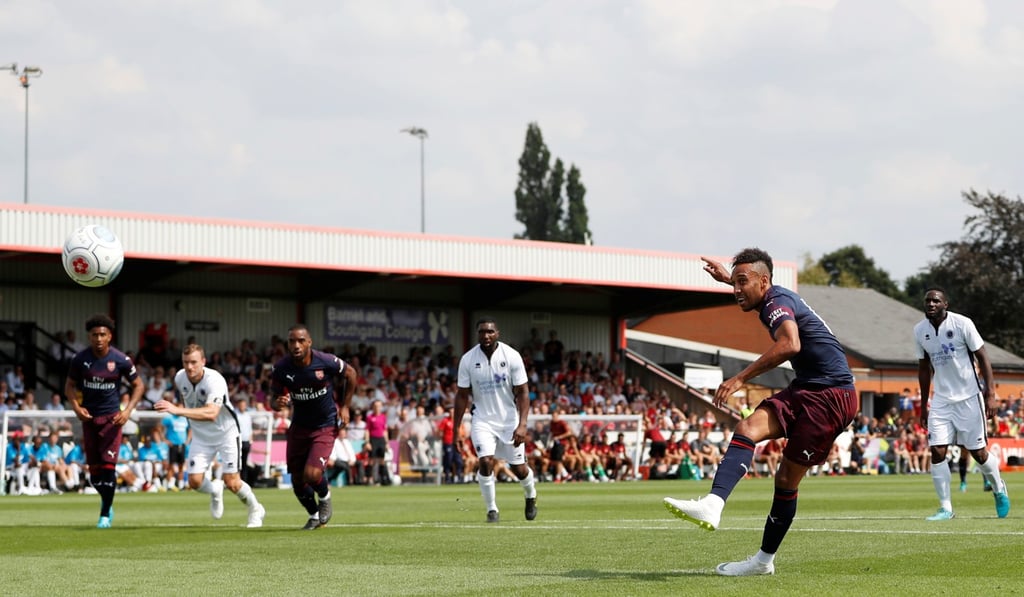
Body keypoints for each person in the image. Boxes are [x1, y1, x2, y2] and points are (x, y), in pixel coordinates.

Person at [663, 248, 858, 576]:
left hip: (830, 397)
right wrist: (730, 280)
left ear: (764, 281)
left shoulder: (775, 303)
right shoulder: (773, 297)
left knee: (785, 479)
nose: (737, 290)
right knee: (747, 428)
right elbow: (760, 299)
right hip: (809, 387)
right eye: (734, 282)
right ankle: (713, 505)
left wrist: (739, 378)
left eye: (743, 282)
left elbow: (790, 345)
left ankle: (762, 562)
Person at [914, 287, 1010, 520]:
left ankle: (998, 488)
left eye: (936, 301)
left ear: (945, 303)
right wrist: (925, 404)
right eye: (928, 301)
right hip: (941, 401)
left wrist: (991, 394)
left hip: (969, 396)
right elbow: (924, 369)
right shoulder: (919, 331)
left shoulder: (962, 324)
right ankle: (946, 507)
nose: (931, 304)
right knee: (937, 451)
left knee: (978, 453)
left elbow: (983, 357)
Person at [155, 343, 266, 528]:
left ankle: (256, 509)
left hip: (226, 434)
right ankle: (215, 489)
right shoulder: (180, 377)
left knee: (232, 483)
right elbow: (190, 402)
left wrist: (177, 410)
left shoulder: (215, 380)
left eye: (194, 362)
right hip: (200, 436)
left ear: (203, 362)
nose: (189, 367)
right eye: (185, 362)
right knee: (194, 481)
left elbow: (211, 412)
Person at [270, 324, 357, 530]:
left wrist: (345, 406)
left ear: (309, 342)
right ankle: (314, 515)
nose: (296, 345)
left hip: (324, 425)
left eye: (301, 340)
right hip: (299, 426)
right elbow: (273, 399)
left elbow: (351, 374)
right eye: (292, 341)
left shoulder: (325, 361)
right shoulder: (281, 368)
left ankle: (325, 497)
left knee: (312, 474)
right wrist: (277, 403)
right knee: (297, 482)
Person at [64, 313, 145, 528]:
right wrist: (76, 407)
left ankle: (104, 514)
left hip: (112, 421)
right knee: (95, 476)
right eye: (94, 335)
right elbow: (69, 386)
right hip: (89, 420)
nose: (98, 338)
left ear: (109, 336)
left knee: (108, 470)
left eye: (102, 334)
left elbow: (139, 385)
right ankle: (107, 500)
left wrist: (127, 411)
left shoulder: (120, 360)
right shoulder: (80, 359)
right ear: (89, 337)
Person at [453, 317, 538, 523]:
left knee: (518, 469)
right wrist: (456, 429)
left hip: (509, 421)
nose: (486, 335)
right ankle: (492, 510)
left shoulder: (511, 356)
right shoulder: (468, 359)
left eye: (490, 331)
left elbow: (523, 392)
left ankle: (531, 496)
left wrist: (523, 424)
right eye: (482, 332)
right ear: (478, 334)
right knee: (485, 461)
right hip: (482, 420)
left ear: (497, 333)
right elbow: (462, 395)